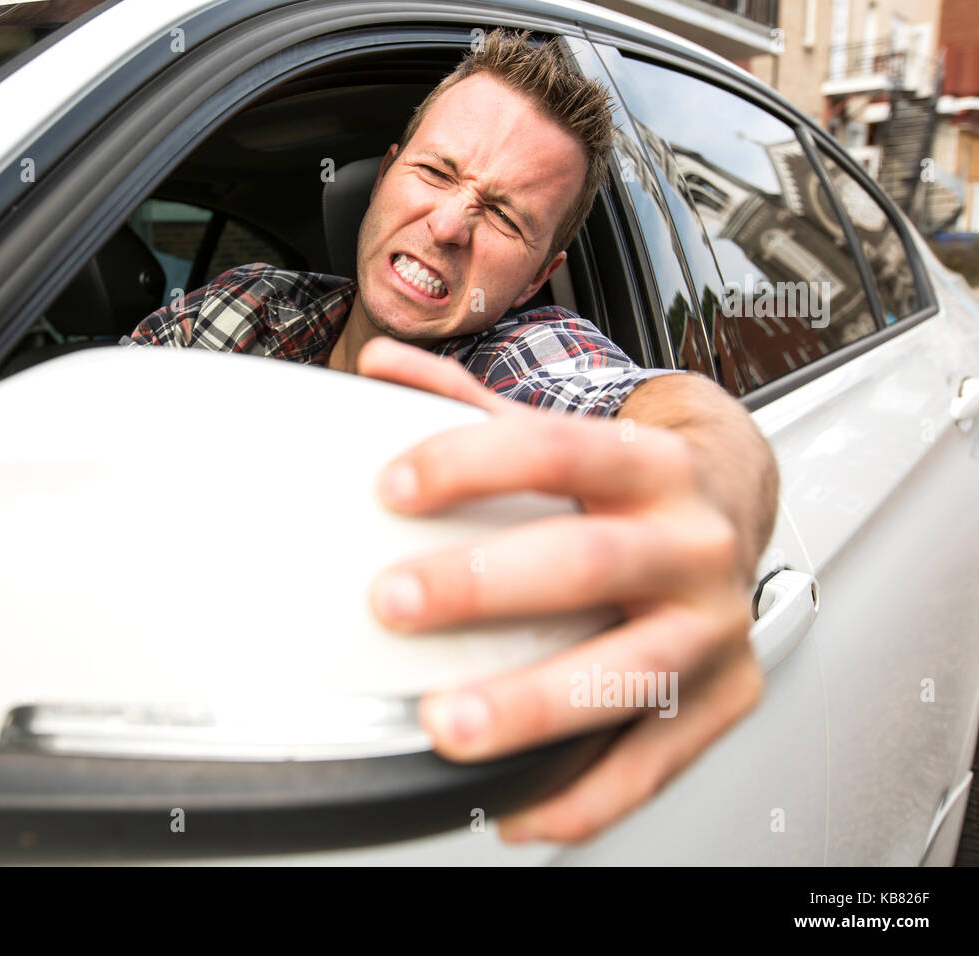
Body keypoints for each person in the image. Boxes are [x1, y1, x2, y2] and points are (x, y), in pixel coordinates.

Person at [123, 28, 777, 844]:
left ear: (537, 277)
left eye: (503, 214)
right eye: (435, 172)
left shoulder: (512, 362)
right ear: (387, 171)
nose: (448, 224)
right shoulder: (246, 305)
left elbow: (664, 409)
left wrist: (715, 490)